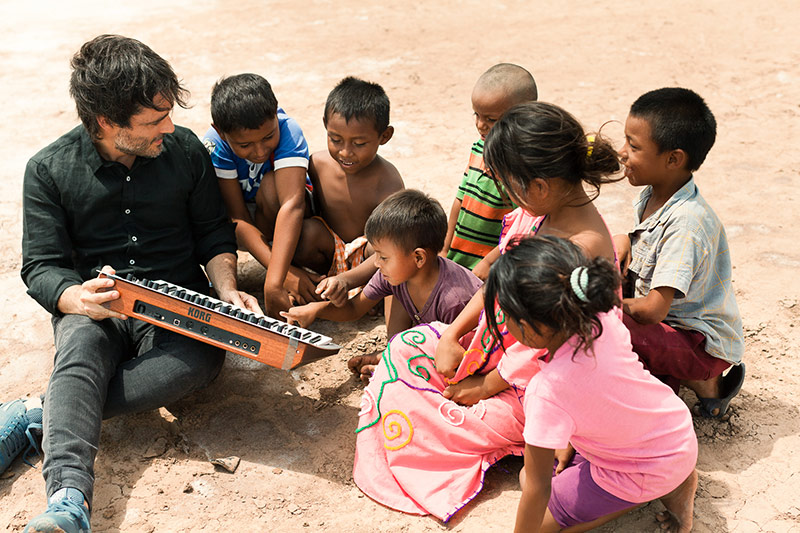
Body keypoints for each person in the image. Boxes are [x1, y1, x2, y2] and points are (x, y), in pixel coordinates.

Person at [16, 35, 258, 533]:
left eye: (168, 114)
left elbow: (212, 232)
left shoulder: (185, 149)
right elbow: (41, 266)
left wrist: (227, 288)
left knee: (198, 362)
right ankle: (68, 501)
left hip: (176, 306)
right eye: (154, 121)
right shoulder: (46, 169)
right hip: (97, 307)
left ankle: (41, 413)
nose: (169, 128)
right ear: (106, 122)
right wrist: (75, 297)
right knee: (80, 350)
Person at [352, 101, 621, 521]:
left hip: (545, 378)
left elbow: (547, 344)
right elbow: (496, 282)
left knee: (445, 412)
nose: (502, 195)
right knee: (406, 346)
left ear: (538, 186)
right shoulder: (535, 215)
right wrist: (452, 333)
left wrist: (486, 384)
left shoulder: (577, 246)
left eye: (505, 184)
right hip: (498, 344)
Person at [486, 236, 698, 533]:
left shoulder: (547, 390)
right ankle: (674, 478)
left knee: (536, 498)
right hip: (675, 431)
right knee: (555, 466)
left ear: (531, 325)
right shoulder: (603, 316)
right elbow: (596, 392)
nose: (504, 323)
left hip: (645, 468)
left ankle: (652, 492)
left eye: (506, 315)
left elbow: (536, 489)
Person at [614, 87, 745, 418]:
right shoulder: (653, 194)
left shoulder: (686, 224)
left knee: (606, 324)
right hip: (673, 325)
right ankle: (666, 383)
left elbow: (654, 310)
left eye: (634, 145)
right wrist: (624, 240)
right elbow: (645, 246)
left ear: (673, 159)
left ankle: (702, 385)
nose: (621, 152)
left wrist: (608, 305)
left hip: (698, 344)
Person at [282, 190, 482, 382]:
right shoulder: (396, 273)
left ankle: (391, 360)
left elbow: (461, 363)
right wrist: (315, 310)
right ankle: (392, 355)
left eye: (383, 257)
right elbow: (354, 308)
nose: (376, 263)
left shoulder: (454, 300)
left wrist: (397, 370)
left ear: (419, 257)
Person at [202, 73, 315, 316]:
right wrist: (285, 276)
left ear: (276, 113)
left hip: (283, 216)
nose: (260, 150)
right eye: (245, 145)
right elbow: (237, 217)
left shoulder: (287, 129)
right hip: (245, 221)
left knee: (273, 185)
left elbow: (292, 204)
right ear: (221, 132)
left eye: (267, 137)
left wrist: (274, 281)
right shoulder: (215, 144)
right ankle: (283, 264)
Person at [293, 76, 404, 305]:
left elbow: (392, 246)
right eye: (335, 139)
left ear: (384, 136)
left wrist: (347, 280)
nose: (345, 152)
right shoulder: (317, 164)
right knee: (304, 232)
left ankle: (367, 293)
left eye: (359, 144)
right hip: (329, 249)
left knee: (384, 247)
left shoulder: (388, 182)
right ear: (325, 124)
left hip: (370, 259)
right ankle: (322, 281)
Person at [443, 63, 537, 276]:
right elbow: (460, 199)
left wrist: (488, 266)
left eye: (491, 119)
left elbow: (522, 224)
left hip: (491, 270)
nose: (480, 125)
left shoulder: (522, 167)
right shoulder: (478, 149)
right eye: (476, 115)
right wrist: (445, 247)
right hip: (458, 259)